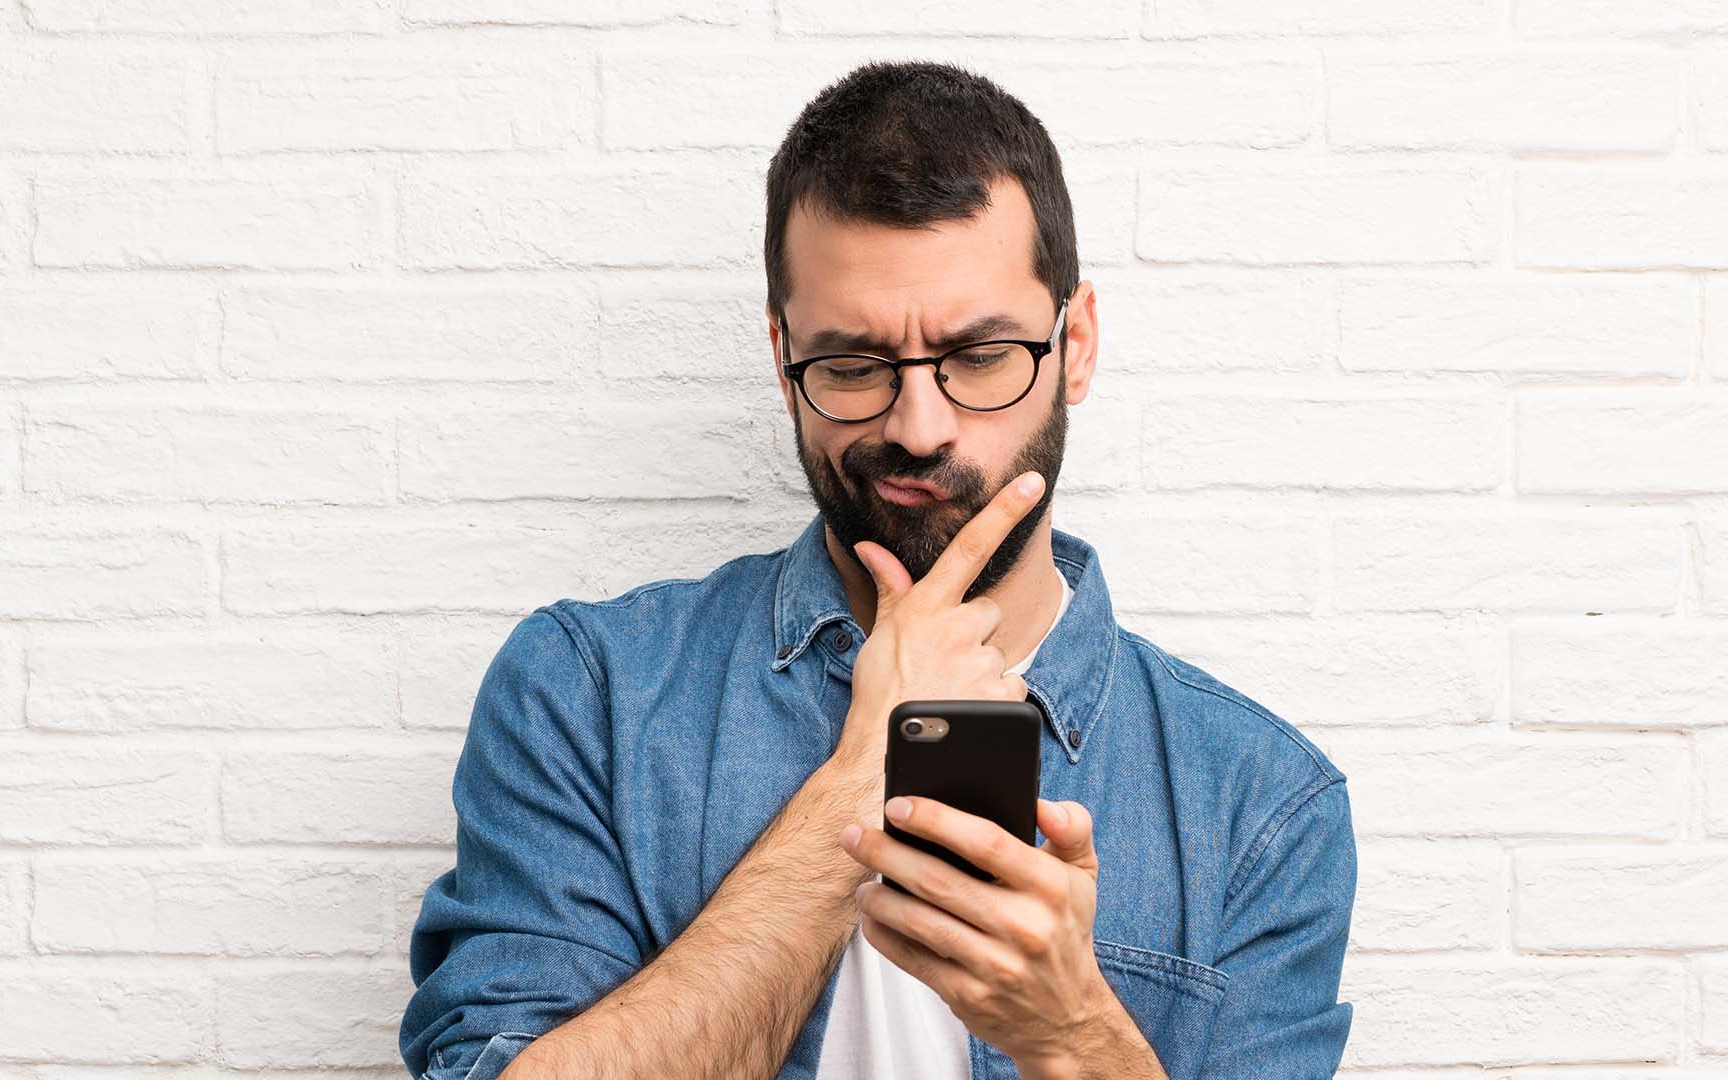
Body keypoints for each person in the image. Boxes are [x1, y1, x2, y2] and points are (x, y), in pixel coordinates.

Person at [399, 59, 1355, 1080]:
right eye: (852, 364)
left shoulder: (1261, 805)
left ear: (1074, 344)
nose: (918, 428)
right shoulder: (588, 694)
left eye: (981, 356)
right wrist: (862, 778)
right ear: (782, 360)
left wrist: (1075, 1035)